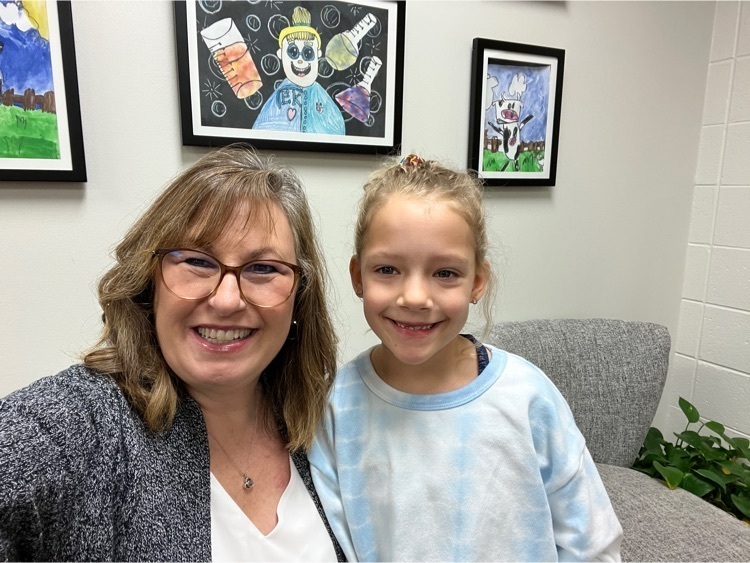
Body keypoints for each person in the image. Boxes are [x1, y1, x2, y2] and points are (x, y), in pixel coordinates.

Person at [0, 145, 344, 562]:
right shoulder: (83, 423)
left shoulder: (324, 424)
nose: (227, 300)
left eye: (263, 269)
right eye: (198, 261)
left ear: (299, 297)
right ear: (150, 282)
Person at [308, 154, 623, 561]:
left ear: (477, 282)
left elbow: (593, 543)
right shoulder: (336, 407)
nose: (415, 298)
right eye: (387, 269)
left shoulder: (528, 397)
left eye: (445, 273)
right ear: (357, 277)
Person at [253, 6, 345, 135]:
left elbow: (338, 129)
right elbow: (261, 129)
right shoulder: (279, 96)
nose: (300, 60)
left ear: (318, 54)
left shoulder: (321, 96)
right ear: (281, 54)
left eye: (308, 53)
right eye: (293, 52)